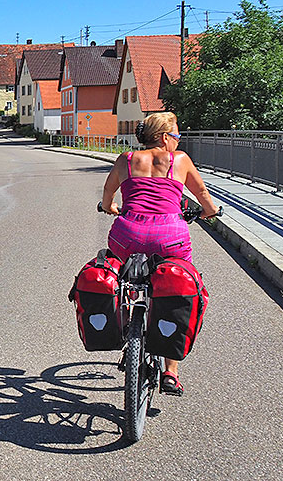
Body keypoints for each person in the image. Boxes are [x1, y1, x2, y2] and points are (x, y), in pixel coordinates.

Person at [100, 111, 219, 396]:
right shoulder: (180, 161)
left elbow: (108, 191)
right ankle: (170, 373)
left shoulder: (125, 160)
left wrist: (109, 207)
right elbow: (202, 194)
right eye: (176, 135)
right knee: (177, 290)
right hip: (170, 239)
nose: (178, 140)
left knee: (120, 272)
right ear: (165, 137)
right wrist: (210, 212)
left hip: (127, 235)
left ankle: (128, 322)